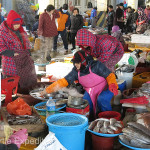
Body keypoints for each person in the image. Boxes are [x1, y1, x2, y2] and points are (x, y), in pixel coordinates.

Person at [41, 50, 118, 117]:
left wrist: (112, 84)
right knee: (86, 103)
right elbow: (62, 82)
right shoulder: (75, 71)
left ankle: (107, 117)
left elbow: (109, 75)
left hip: (105, 86)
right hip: (90, 90)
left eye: (78, 63)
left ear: (84, 62)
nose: (75, 65)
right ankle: (91, 119)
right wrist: (47, 90)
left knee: (102, 99)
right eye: (74, 63)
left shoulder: (96, 65)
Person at [0, 10, 37, 89]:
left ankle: (26, 94)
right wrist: (12, 53)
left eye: (19, 24)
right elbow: (1, 47)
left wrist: (29, 53)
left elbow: (26, 43)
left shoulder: (21, 30)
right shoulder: (2, 32)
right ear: (10, 22)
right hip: (11, 61)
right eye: (15, 24)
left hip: (23, 59)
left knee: (29, 78)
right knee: (14, 84)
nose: (17, 26)